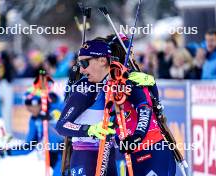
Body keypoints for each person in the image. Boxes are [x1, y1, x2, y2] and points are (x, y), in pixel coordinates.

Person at [106, 34, 176, 175]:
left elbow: (147, 108)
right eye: (129, 51)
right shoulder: (109, 80)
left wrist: (137, 136)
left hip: (151, 147)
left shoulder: (130, 77)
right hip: (133, 152)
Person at [56, 39, 118, 176]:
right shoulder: (85, 87)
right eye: (80, 64)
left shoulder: (118, 82)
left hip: (111, 153)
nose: (82, 70)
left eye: (85, 63)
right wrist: (89, 129)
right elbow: (61, 125)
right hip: (85, 155)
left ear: (102, 60)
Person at [0, 87, 64, 175]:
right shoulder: (35, 119)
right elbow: (28, 146)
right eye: (28, 108)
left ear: (41, 102)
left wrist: (51, 120)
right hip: (55, 156)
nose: (30, 110)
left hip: (71, 151)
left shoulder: (59, 106)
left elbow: (68, 126)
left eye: (32, 107)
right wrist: (7, 151)